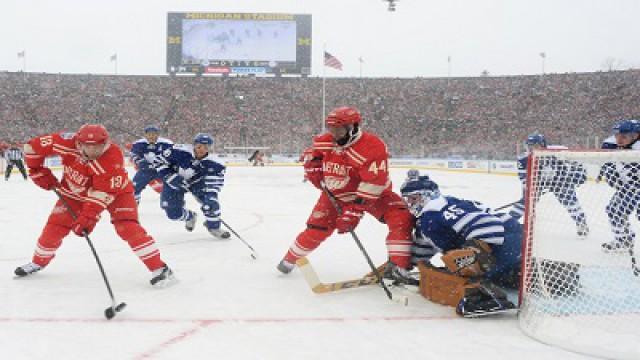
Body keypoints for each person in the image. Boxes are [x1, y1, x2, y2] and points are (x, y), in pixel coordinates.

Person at [15, 124, 175, 287]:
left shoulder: (112, 157)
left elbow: (101, 195)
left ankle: (160, 268)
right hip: (74, 193)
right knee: (55, 227)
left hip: (117, 194)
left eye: (98, 146)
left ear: (105, 143)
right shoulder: (64, 142)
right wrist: (36, 170)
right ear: (79, 143)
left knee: (127, 228)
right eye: (88, 146)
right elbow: (31, 147)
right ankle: (38, 262)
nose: (93, 151)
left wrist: (87, 219)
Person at [276, 106, 414, 284]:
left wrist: (355, 210)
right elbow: (314, 153)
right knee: (316, 230)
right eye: (331, 129)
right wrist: (313, 165)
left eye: (339, 129)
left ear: (354, 127)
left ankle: (399, 267)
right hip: (335, 195)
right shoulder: (325, 140)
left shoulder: (372, 146)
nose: (334, 134)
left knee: (401, 217)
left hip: (375, 195)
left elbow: (374, 183)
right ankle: (289, 259)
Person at [400, 174, 520, 315]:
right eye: (407, 199)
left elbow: (490, 225)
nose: (410, 204)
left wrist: (473, 254)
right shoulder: (441, 207)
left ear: (428, 195)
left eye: (414, 198)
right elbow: (421, 251)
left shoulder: (434, 213)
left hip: (505, 245)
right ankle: (517, 273)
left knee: (456, 260)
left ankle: (482, 295)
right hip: (515, 246)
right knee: (462, 260)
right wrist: (399, 266)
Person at [508, 133, 589, 237]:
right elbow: (523, 177)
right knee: (526, 201)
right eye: (530, 145)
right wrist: (530, 190)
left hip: (560, 180)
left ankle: (581, 223)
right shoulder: (523, 158)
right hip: (537, 182)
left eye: (535, 145)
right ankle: (509, 221)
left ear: (543, 145)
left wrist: (578, 174)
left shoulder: (558, 151)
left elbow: (577, 161)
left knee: (570, 200)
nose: (532, 148)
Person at [154, 133, 230, 239]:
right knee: (173, 213)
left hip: (198, 185)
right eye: (199, 146)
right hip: (174, 183)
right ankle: (190, 217)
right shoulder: (178, 151)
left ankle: (213, 227)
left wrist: (209, 197)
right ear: (194, 145)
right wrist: (169, 176)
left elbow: (213, 184)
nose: (202, 150)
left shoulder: (216, 164)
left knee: (211, 204)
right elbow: (158, 161)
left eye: (206, 147)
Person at [598, 119, 640, 251]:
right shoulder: (612, 146)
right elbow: (608, 162)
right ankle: (622, 239)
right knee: (613, 211)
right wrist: (608, 172)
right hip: (627, 188)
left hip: (636, 188)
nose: (619, 139)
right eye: (617, 136)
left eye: (624, 136)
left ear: (636, 136)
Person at [130, 125, 173, 203]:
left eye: (154, 134)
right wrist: (139, 161)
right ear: (145, 135)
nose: (151, 136)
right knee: (133, 187)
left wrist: (165, 163)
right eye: (149, 134)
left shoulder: (166, 143)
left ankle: (174, 205)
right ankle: (133, 204)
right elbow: (134, 155)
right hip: (145, 171)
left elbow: (173, 156)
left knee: (172, 187)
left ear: (158, 134)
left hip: (162, 170)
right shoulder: (139, 144)